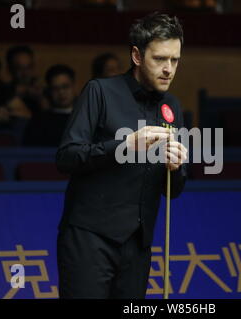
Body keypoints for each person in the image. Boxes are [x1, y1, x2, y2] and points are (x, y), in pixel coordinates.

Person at [56, 12, 188, 299]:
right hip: (89, 240)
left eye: (174, 60)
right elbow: (66, 157)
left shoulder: (173, 107)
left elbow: (174, 191)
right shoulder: (99, 92)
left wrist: (176, 168)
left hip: (138, 247)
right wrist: (124, 146)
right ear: (137, 56)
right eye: (160, 59)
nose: (169, 69)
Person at [23, 65, 76, 147]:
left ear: (74, 87)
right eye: (55, 88)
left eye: (65, 86)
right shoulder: (38, 122)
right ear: (49, 91)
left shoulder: (87, 119)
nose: (61, 92)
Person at [5, 45, 46, 114]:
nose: (25, 73)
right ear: (10, 69)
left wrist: (40, 98)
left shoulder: (41, 91)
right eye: (19, 68)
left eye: (28, 67)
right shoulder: (3, 92)